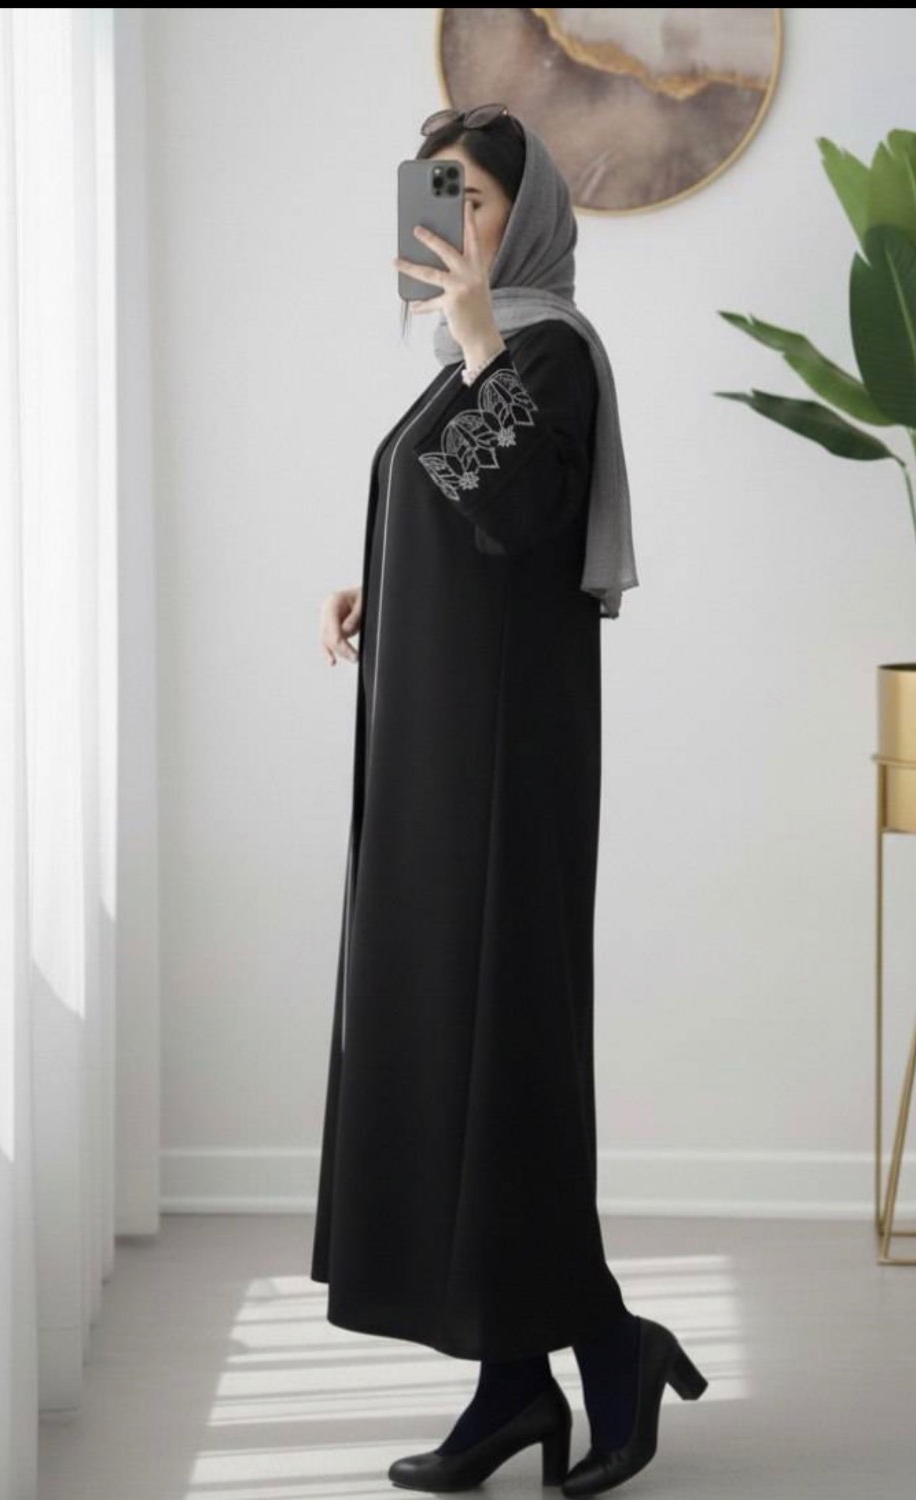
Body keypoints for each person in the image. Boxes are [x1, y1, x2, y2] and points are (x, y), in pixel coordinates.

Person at [311, 105, 707, 1496]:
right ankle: (511, 1388)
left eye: (471, 200)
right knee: (446, 1053)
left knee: (508, 1057)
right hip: (433, 754)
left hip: (503, 767)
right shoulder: (467, 359)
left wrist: (481, 337)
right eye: (435, 199)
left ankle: (607, 1348)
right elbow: (457, 516)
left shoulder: (544, 348)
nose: (451, 228)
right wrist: (379, 580)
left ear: (524, 215)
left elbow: (525, 505)